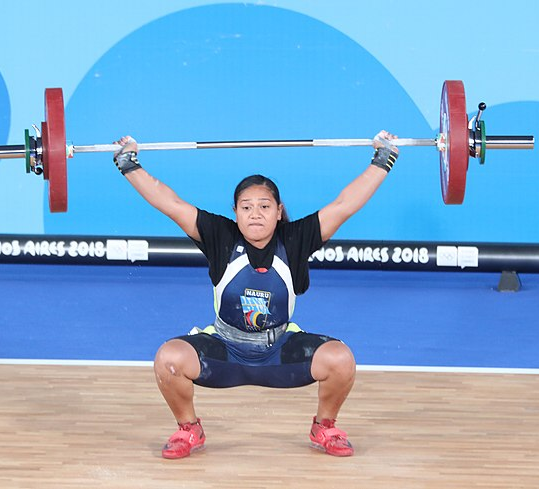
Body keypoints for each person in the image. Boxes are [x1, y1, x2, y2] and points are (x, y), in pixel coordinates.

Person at [112, 130, 399, 459]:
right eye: (246, 207)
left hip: (279, 351)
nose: (256, 213)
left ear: (279, 211)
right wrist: (128, 164)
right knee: (169, 359)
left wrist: (383, 158)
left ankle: (325, 426)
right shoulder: (219, 235)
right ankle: (188, 429)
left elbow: (345, 205)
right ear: (235, 212)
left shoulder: (295, 239)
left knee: (341, 359)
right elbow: (171, 203)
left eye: (264, 206)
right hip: (224, 352)